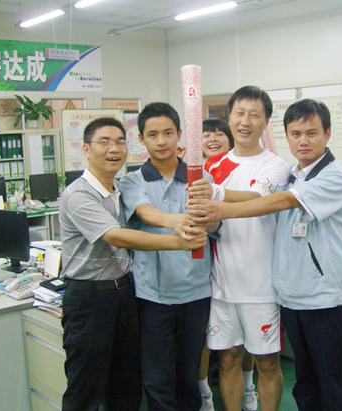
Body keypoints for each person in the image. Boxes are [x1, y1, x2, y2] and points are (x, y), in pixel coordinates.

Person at [188, 99, 342, 411]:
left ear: (327, 133)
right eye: (295, 134)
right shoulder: (295, 174)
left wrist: (220, 205)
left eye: (311, 133)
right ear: (285, 135)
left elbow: (281, 201)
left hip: (326, 300)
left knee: (335, 387)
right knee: (306, 386)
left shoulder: (334, 175)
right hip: (292, 297)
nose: (303, 141)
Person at [59, 117, 207, 411]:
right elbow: (116, 236)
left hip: (125, 292)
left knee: (125, 386)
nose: (113, 149)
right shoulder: (79, 194)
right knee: (86, 388)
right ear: (86, 149)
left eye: (119, 142)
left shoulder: (117, 190)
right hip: (90, 298)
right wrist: (178, 241)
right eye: (104, 142)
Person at [189, 86, 290, 411]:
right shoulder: (213, 166)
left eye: (254, 115)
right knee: (229, 358)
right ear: (230, 117)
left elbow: (257, 200)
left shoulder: (276, 166)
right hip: (222, 284)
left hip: (262, 286)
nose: (245, 122)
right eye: (239, 113)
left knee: (267, 363)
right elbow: (209, 221)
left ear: (266, 122)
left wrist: (214, 194)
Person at [119, 102, 213, 411]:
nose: (161, 141)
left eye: (168, 133)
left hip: (196, 293)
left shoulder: (201, 178)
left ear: (179, 134)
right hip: (152, 297)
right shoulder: (133, 180)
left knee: (187, 376)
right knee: (158, 379)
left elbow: (216, 225)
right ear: (141, 139)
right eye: (153, 134)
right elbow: (144, 211)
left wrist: (210, 214)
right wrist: (174, 221)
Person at [198, 118, 257, 411]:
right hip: (203, 267)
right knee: (206, 337)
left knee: (245, 337)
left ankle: (248, 387)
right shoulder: (195, 173)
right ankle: (204, 394)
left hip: (241, 262)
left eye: (219, 134)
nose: (212, 139)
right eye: (206, 134)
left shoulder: (240, 169)